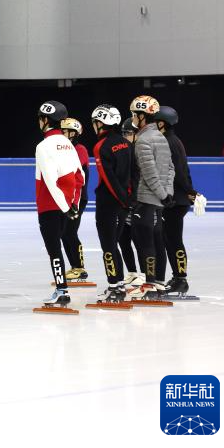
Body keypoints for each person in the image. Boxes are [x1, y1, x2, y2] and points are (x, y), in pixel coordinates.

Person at [34, 101, 84, 309]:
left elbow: (50, 179)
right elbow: (80, 176)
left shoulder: (43, 146)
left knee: (54, 250)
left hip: (50, 205)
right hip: (68, 204)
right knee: (58, 247)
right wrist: (74, 204)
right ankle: (62, 289)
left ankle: (62, 291)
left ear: (46, 120)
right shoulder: (68, 144)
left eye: (40, 118)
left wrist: (64, 206)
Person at [125, 95, 174, 301]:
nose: (133, 118)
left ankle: (149, 285)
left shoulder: (143, 139)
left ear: (142, 115)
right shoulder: (161, 138)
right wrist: (167, 194)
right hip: (160, 200)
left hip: (146, 200)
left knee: (145, 243)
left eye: (134, 115)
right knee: (157, 241)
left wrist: (162, 194)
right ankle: (158, 283)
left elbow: (149, 173)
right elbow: (170, 169)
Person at [90, 104, 132, 304]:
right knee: (114, 244)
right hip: (124, 202)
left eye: (95, 122)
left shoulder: (101, 146)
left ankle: (114, 287)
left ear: (100, 122)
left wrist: (122, 199)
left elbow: (109, 179)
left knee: (108, 246)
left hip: (109, 203)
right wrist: (129, 200)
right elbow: (133, 174)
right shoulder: (126, 143)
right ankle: (120, 284)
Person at [153, 106, 196, 297]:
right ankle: (177, 277)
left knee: (174, 240)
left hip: (175, 200)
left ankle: (181, 279)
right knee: (169, 240)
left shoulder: (169, 142)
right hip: (176, 198)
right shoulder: (171, 140)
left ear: (162, 123)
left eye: (155, 122)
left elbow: (178, 171)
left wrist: (189, 191)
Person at [59, 117, 90, 281]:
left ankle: (80, 268)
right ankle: (75, 267)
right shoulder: (67, 149)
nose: (61, 134)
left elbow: (74, 173)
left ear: (73, 133)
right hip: (68, 198)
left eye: (64, 131)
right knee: (65, 233)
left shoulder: (80, 149)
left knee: (70, 232)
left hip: (78, 198)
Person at [118, 119, 140, 275]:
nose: (125, 137)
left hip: (140, 203)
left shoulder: (142, 151)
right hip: (125, 202)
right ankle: (132, 273)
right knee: (123, 239)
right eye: (123, 133)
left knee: (140, 242)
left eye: (129, 133)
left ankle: (145, 276)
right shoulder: (123, 151)